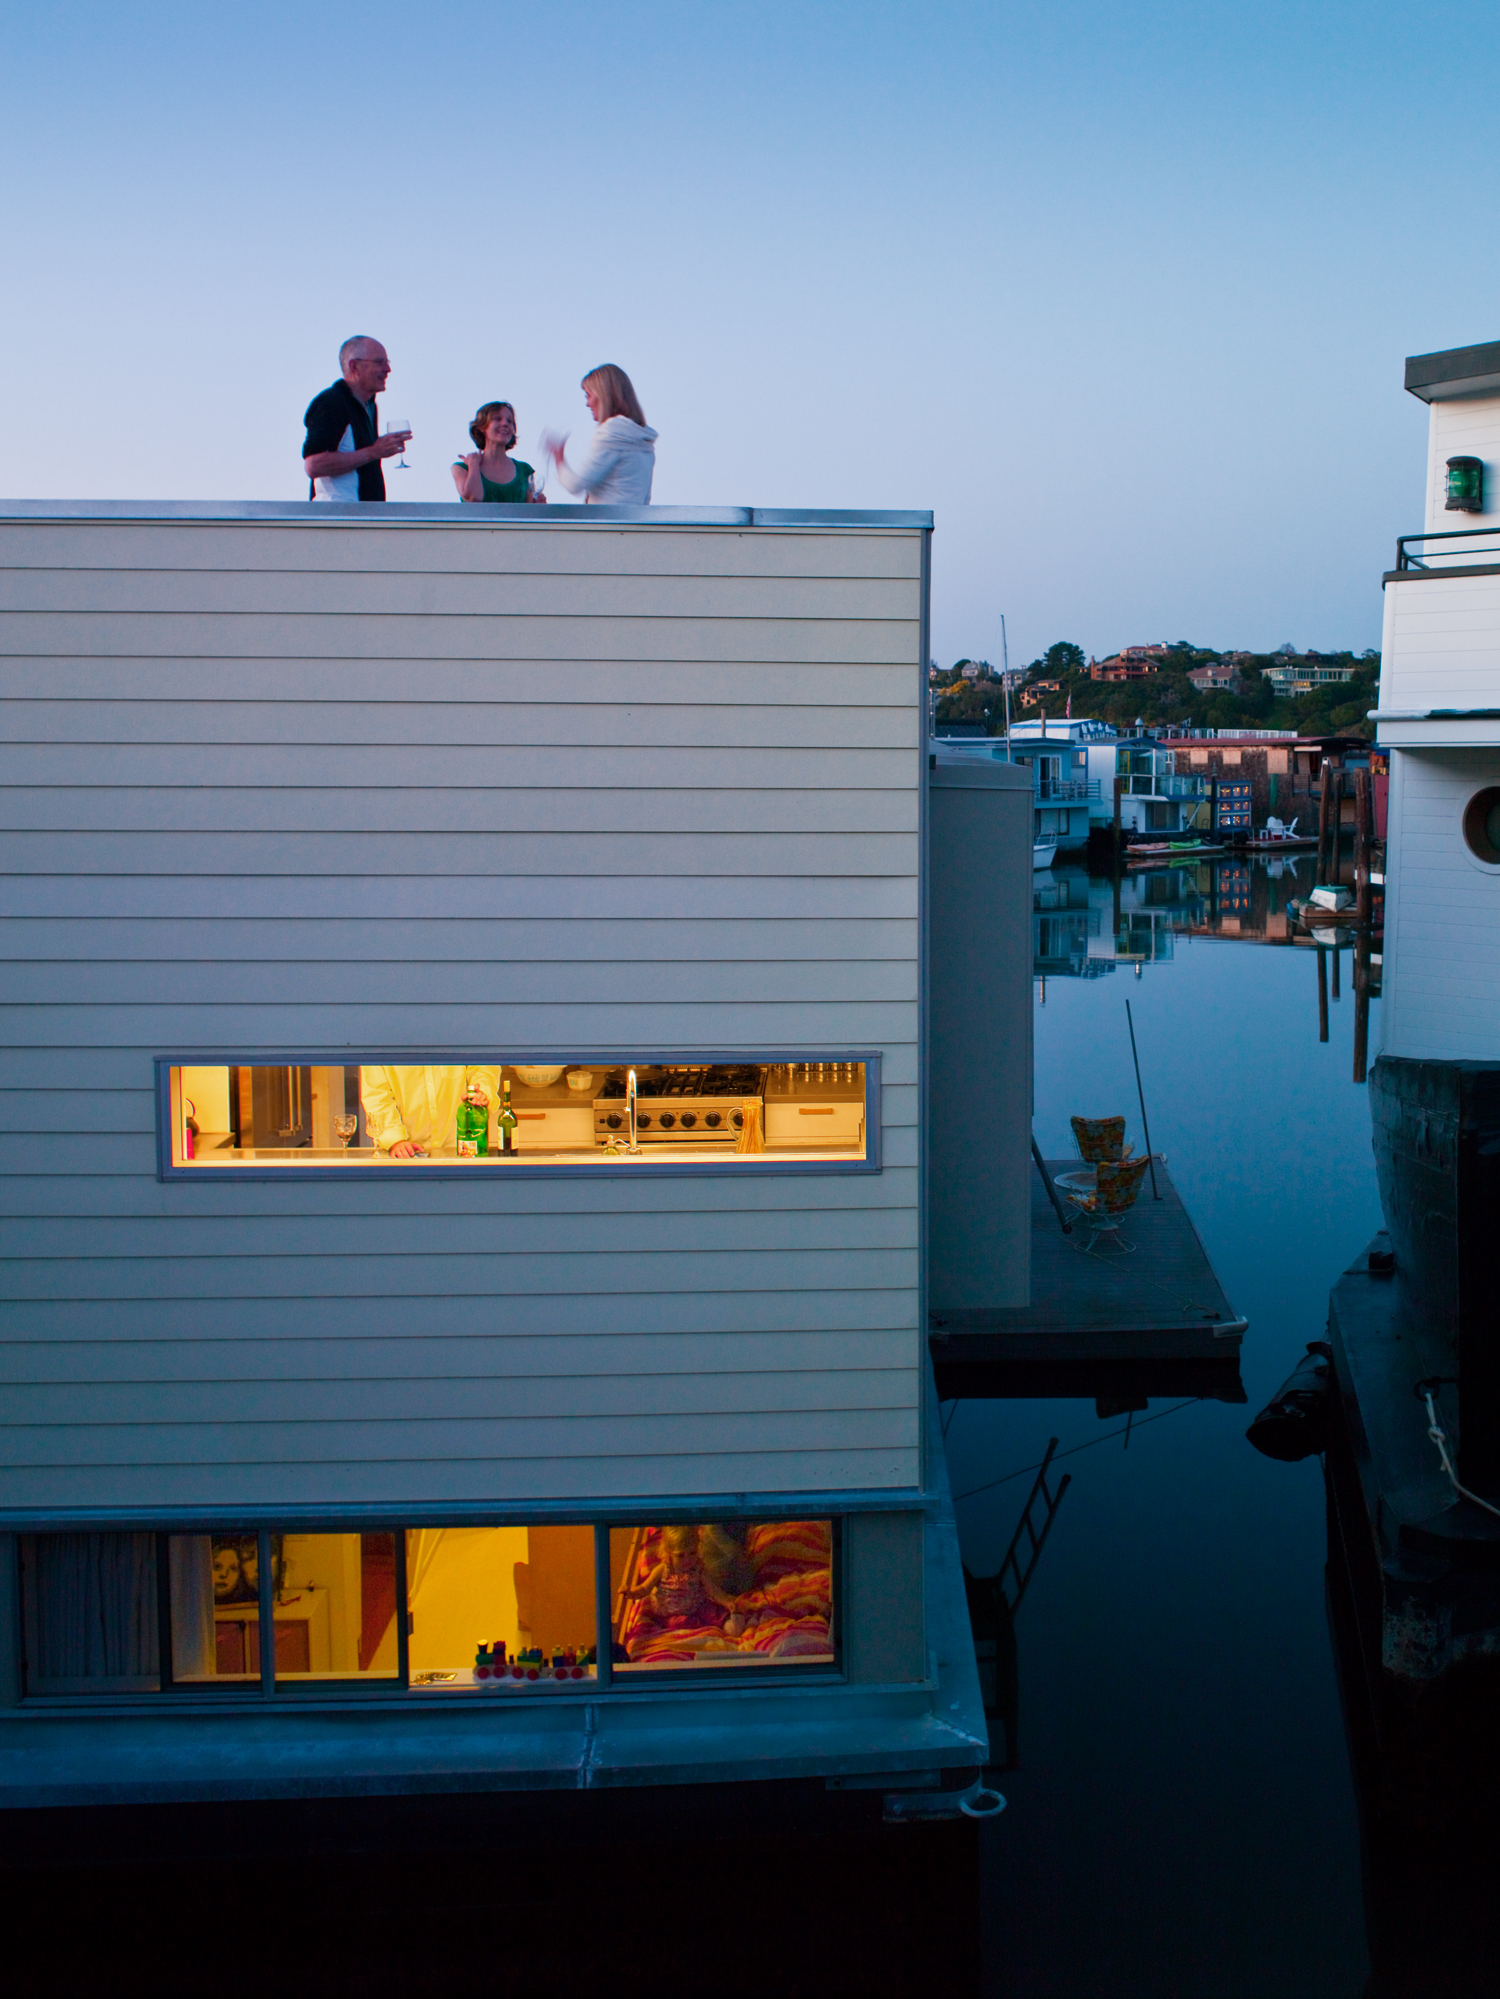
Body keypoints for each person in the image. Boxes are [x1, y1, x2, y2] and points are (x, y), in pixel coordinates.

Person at [302, 337, 409, 502]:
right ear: (354, 366)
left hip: (363, 519)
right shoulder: (331, 402)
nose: (387, 369)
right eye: (379, 362)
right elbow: (314, 465)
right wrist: (374, 452)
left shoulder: (370, 406)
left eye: (387, 362)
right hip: (337, 519)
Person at [541, 364, 656, 505]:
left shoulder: (611, 432)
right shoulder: (644, 439)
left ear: (603, 396)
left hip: (606, 525)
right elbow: (645, 499)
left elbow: (575, 484)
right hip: (632, 524)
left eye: (588, 395)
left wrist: (558, 458)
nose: (587, 404)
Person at [361, 1064, 499, 1158]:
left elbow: (482, 1065)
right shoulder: (382, 1038)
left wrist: (482, 1090)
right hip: (405, 1156)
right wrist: (395, 1140)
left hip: (460, 1150)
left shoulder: (458, 1027)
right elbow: (376, 1096)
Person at [451, 401, 546, 505]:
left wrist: (538, 507)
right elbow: (474, 498)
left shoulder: (524, 471)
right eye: (497, 419)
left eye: (509, 421)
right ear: (482, 427)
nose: (505, 424)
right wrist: (474, 465)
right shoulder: (462, 469)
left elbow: (528, 515)